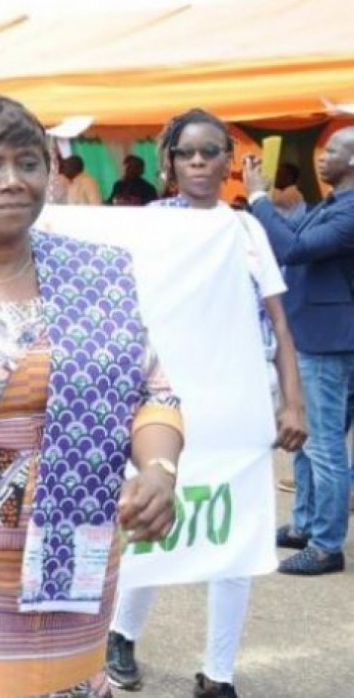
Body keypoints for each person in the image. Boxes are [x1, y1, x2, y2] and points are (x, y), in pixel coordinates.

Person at [0, 95, 184, 698]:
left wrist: (159, 469)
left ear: (50, 172)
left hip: (78, 553)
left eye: (28, 163)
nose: (12, 181)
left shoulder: (91, 279)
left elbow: (153, 391)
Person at [107, 108, 308, 698]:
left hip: (235, 411)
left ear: (229, 162)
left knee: (235, 539)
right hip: (162, 409)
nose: (198, 162)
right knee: (153, 523)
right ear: (169, 164)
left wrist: (293, 403)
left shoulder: (245, 231)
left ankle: (219, 673)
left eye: (209, 152)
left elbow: (279, 321)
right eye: (186, 153)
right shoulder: (146, 226)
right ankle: (121, 634)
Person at [245, 126, 354, 576]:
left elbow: (292, 247)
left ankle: (326, 545)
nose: (321, 157)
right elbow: (292, 231)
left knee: (324, 446)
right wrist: (266, 205)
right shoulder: (333, 203)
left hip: (327, 341)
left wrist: (257, 198)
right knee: (308, 441)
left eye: (332, 150)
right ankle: (305, 524)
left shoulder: (350, 210)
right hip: (318, 335)